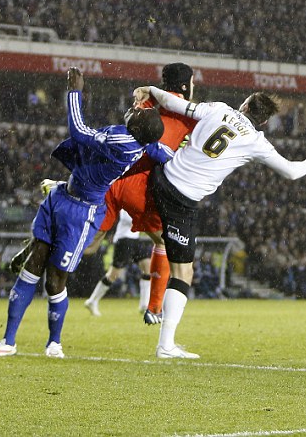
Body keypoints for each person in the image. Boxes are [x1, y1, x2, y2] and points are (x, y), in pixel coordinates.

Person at [0, 67, 169, 358]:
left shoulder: (123, 142)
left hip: (81, 213)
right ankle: (8, 341)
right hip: (61, 196)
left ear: (138, 129)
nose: (134, 110)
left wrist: (74, 91)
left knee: (55, 280)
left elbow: (79, 132)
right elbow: (157, 150)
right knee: (33, 266)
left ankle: (54, 343)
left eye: (139, 113)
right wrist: (177, 156)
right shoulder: (139, 142)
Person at [134, 85, 306, 358]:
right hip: (181, 200)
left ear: (245, 106)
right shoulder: (257, 142)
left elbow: (174, 103)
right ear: (263, 121)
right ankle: (165, 345)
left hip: (160, 178)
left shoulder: (219, 109)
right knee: (183, 274)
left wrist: (150, 90)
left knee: (154, 234)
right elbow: (291, 172)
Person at [18, 63, 198, 325]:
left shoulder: (148, 101)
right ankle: (154, 308)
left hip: (113, 179)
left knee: (88, 245)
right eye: (191, 83)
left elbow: (134, 114)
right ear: (184, 85)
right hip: (142, 186)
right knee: (163, 242)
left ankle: (40, 244)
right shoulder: (189, 112)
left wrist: (145, 91)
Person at [84, 209, 153, 316]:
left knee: (148, 268)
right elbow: (127, 219)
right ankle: (92, 301)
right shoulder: (127, 202)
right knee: (113, 274)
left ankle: (144, 305)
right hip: (124, 239)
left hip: (136, 238)